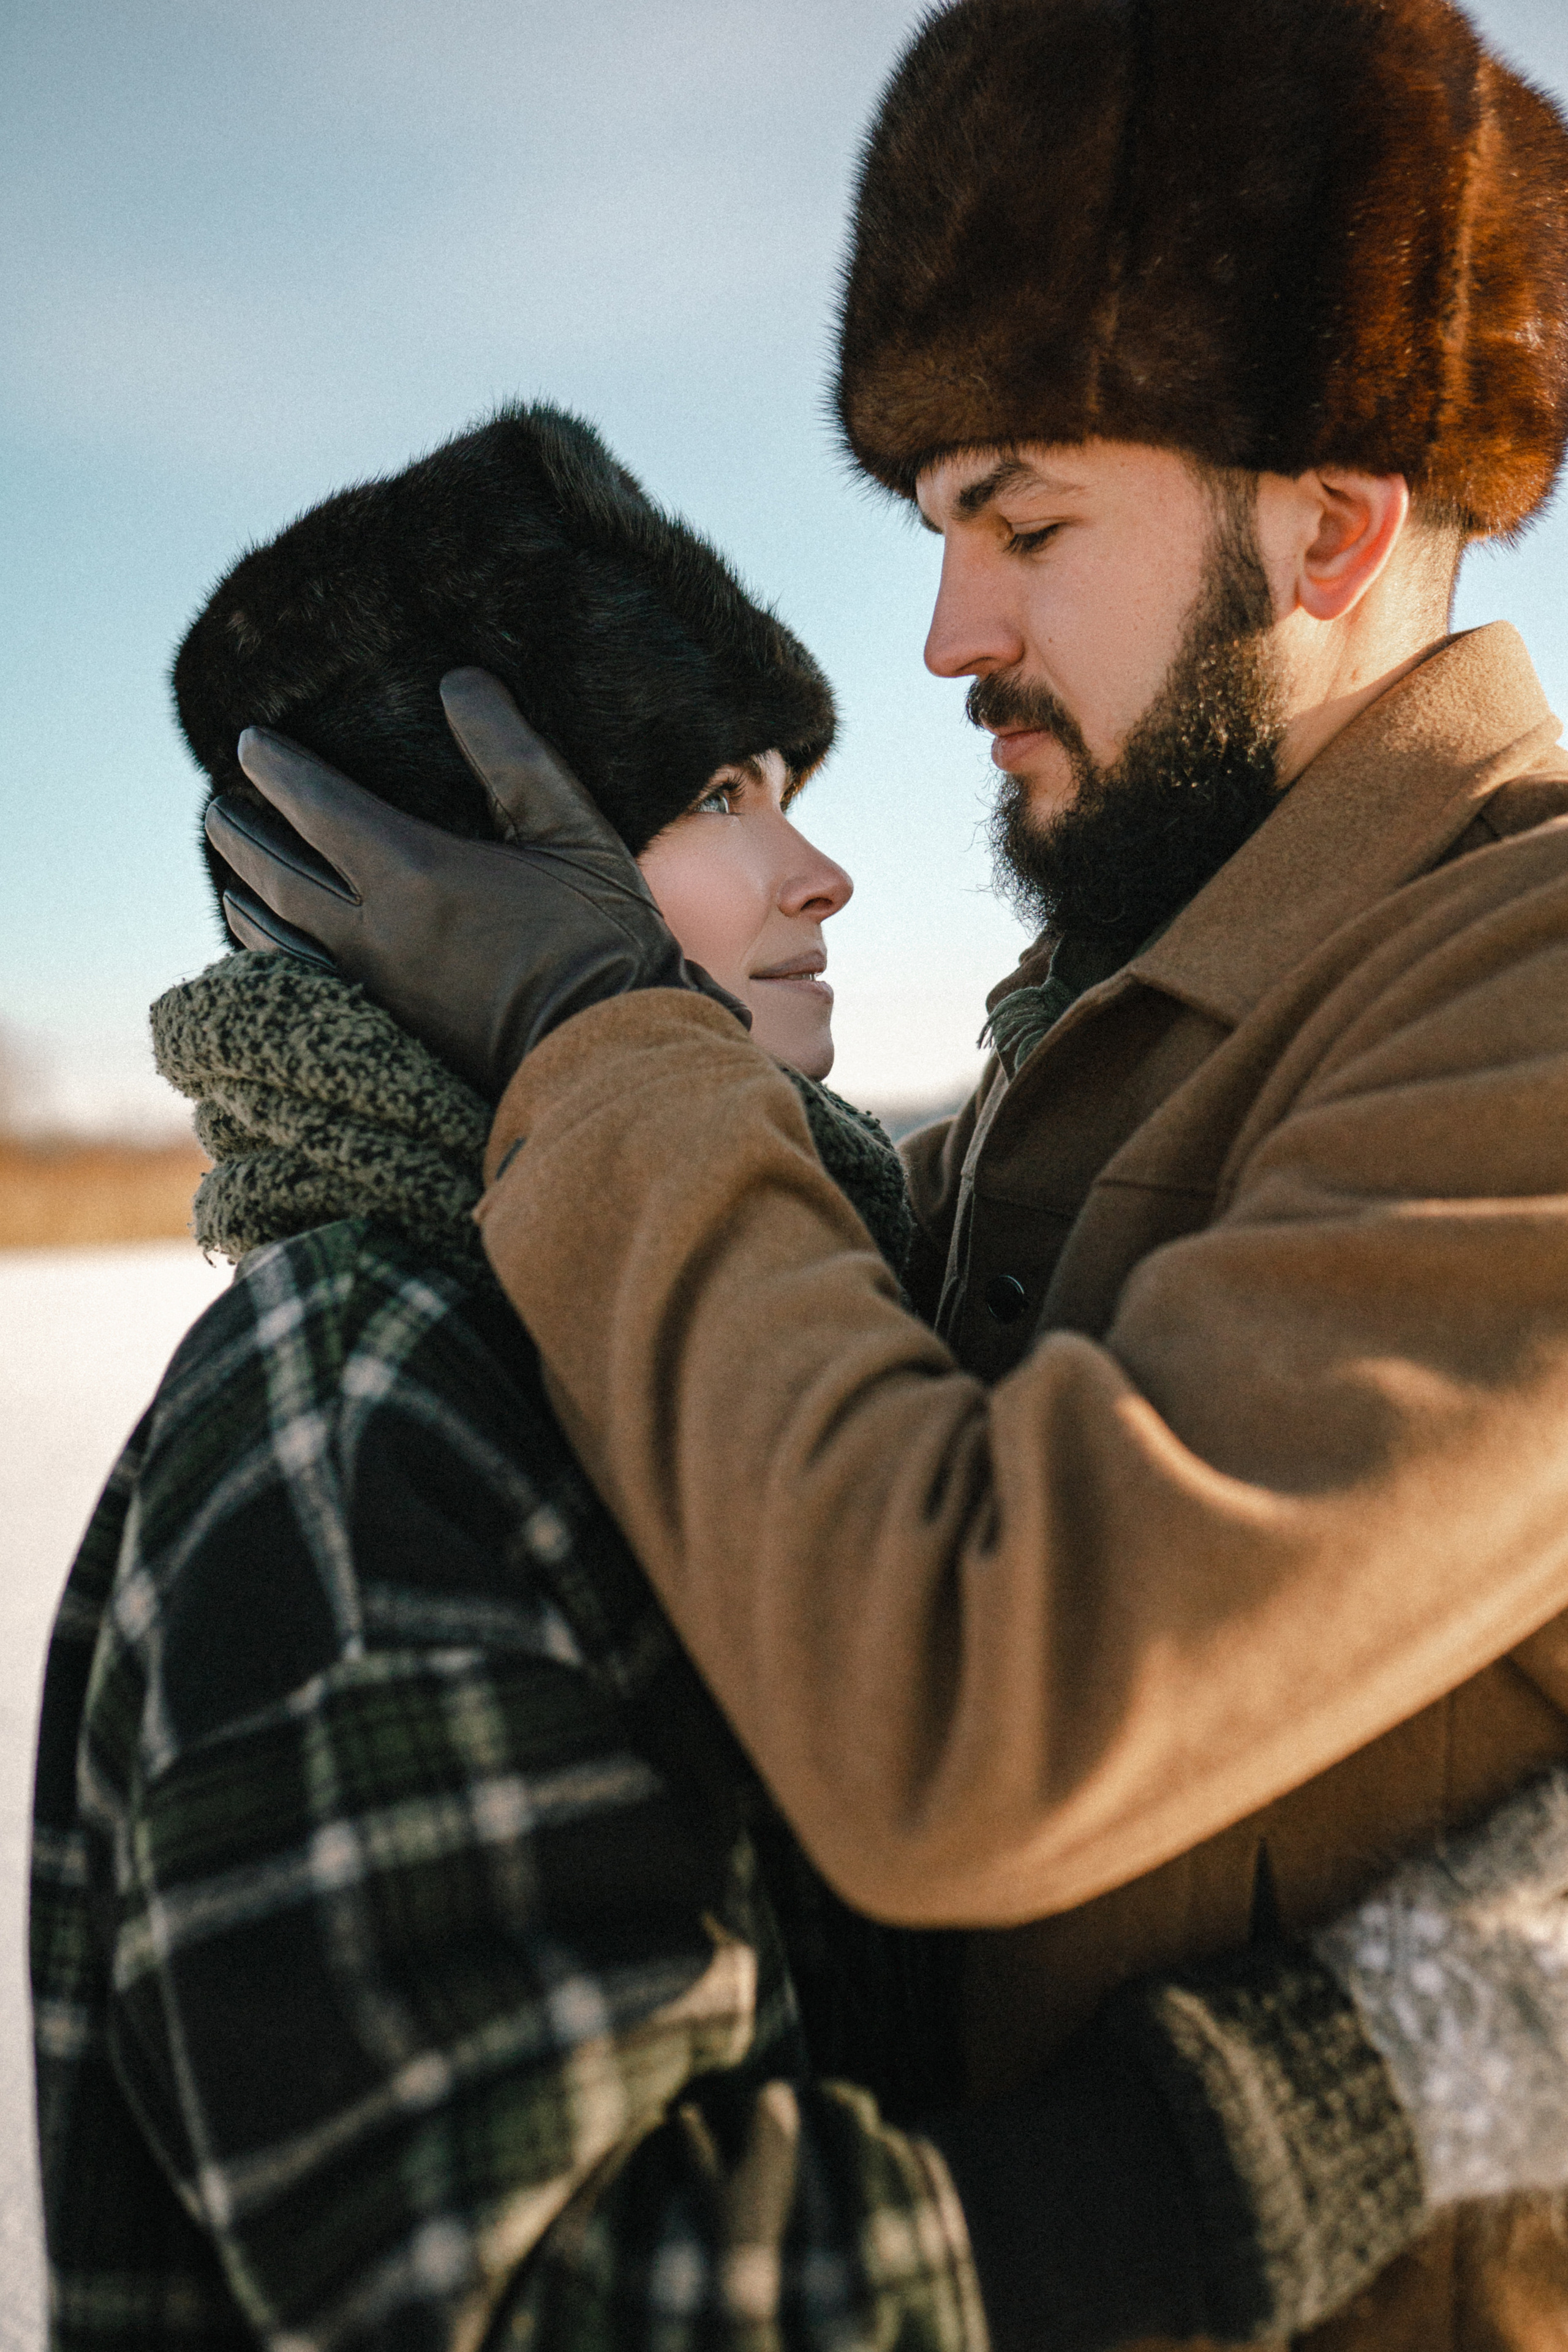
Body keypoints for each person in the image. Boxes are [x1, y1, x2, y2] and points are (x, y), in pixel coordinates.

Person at [207, 2, 1568, 2345]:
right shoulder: (1110, 1038)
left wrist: (596, 1041)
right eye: (941, 529)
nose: (948, 638)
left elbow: (962, 1701)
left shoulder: (1518, 980)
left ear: (1334, 514)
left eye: (1025, 522)